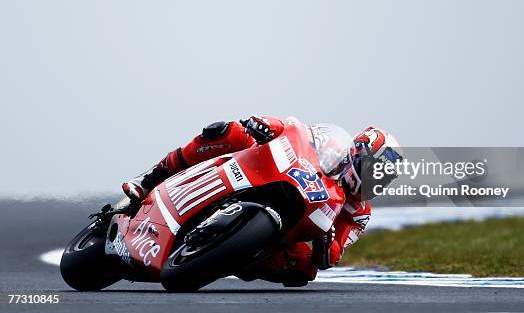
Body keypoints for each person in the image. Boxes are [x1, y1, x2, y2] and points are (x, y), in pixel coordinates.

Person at [122, 115, 401, 286]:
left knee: (304, 270)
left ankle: (236, 256)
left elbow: (336, 251)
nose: (376, 181)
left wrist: (329, 243)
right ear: (359, 154)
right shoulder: (330, 144)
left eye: (384, 179)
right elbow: (295, 130)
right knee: (227, 131)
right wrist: (266, 125)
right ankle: (150, 178)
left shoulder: (358, 212)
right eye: (375, 171)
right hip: (270, 172)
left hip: (294, 226)